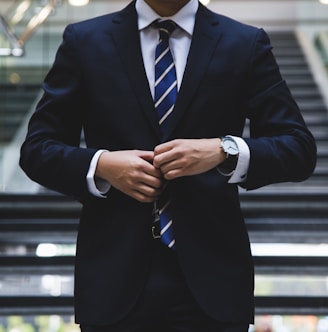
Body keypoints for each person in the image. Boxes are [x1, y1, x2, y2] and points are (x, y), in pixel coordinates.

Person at [19, 0, 317, 330]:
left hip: (213, 283)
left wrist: (224, 150)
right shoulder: (85, 40)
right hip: (113, 280)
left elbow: (298, 148)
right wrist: (102, 164)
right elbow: (37, 150)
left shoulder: (244, 42)